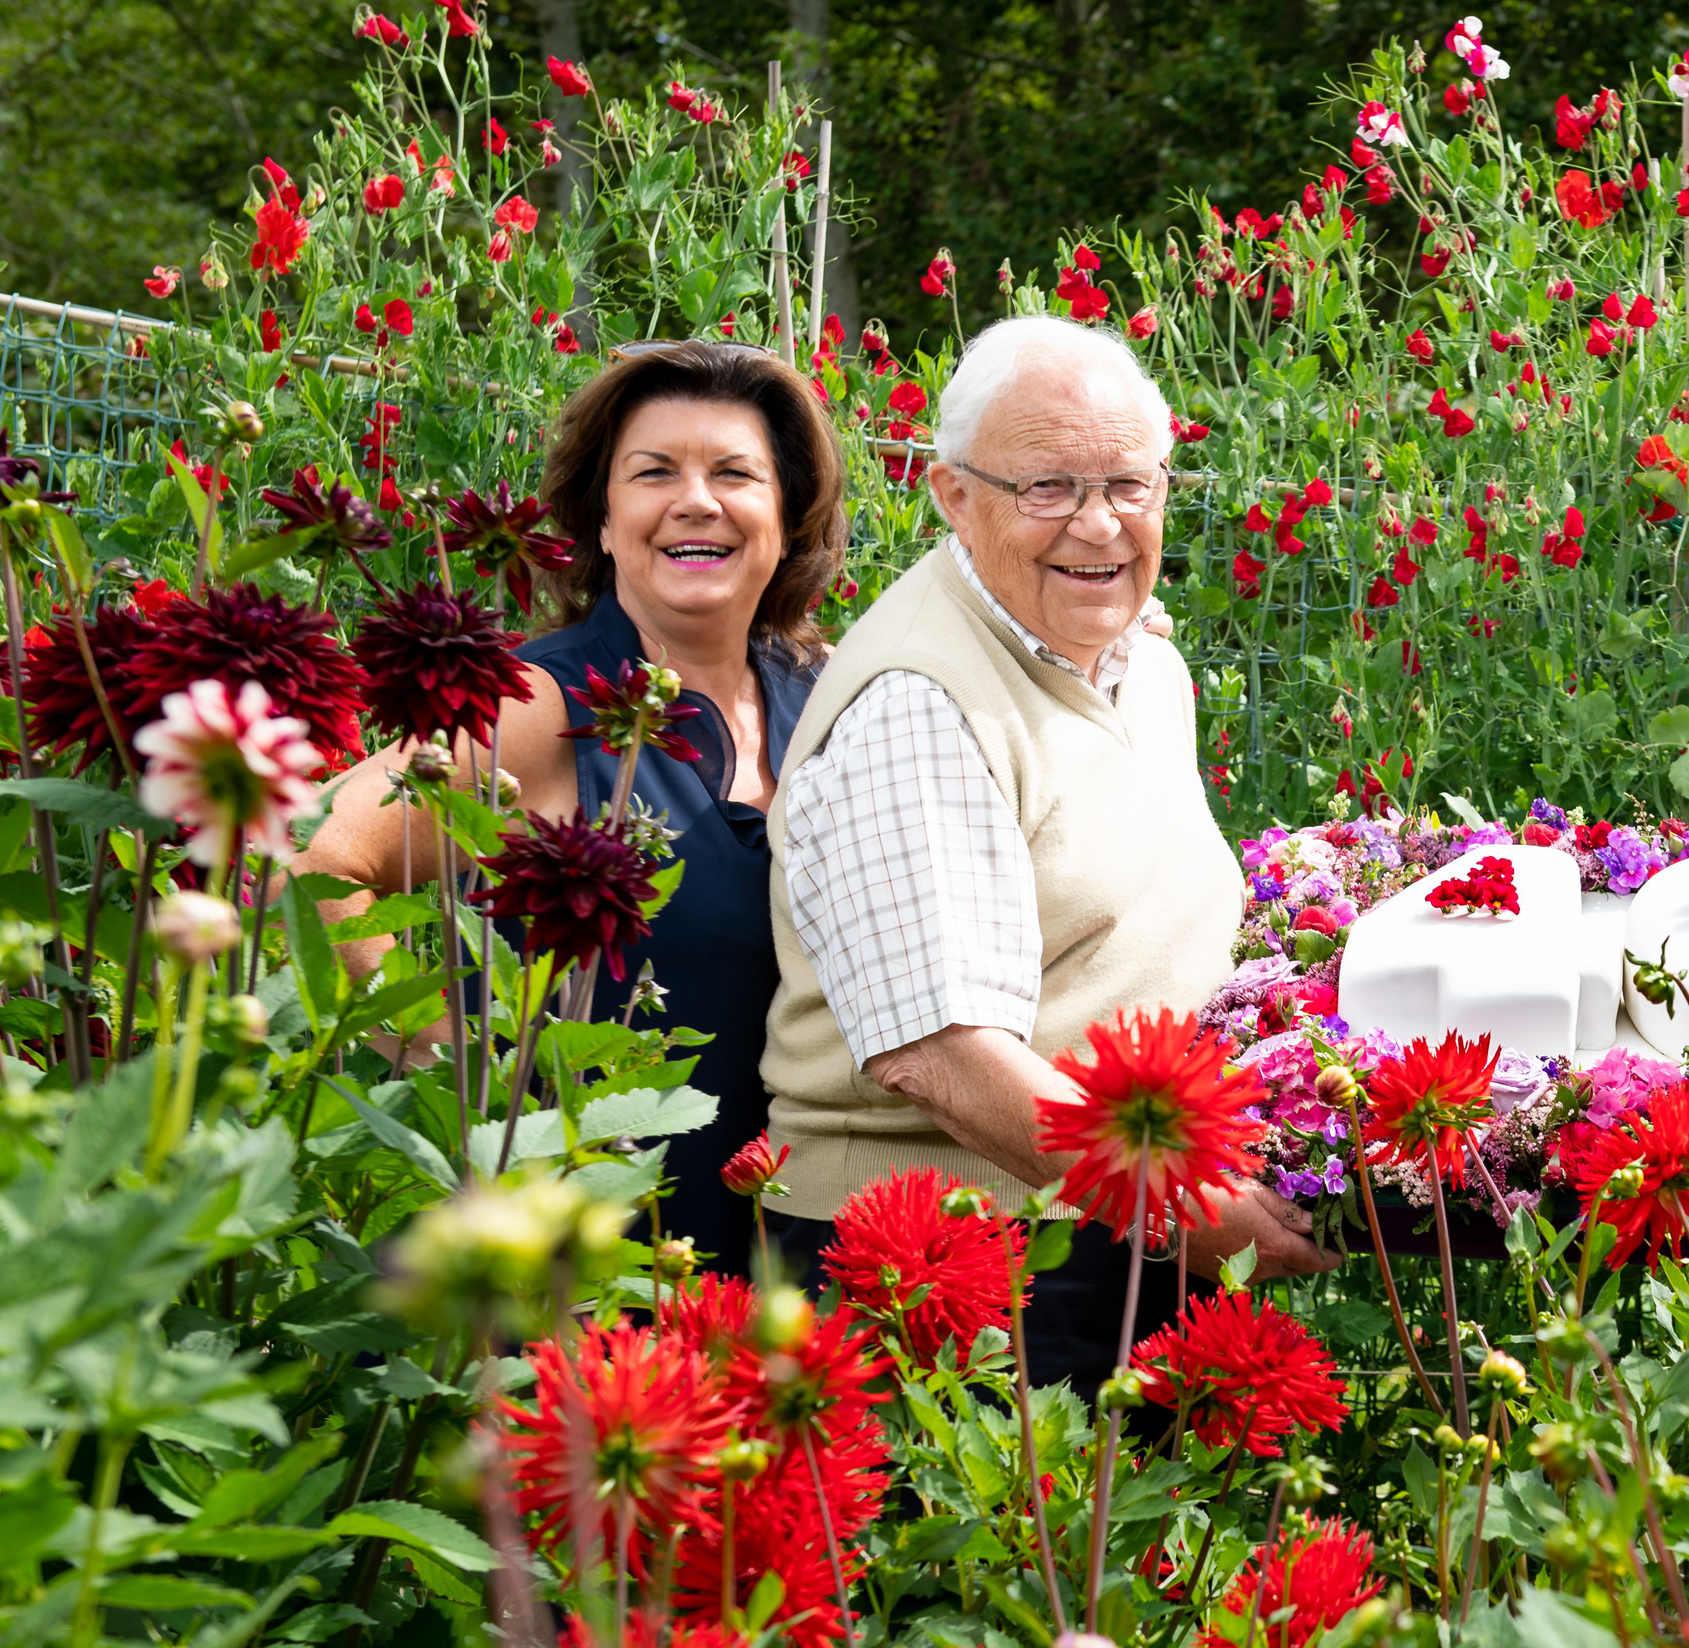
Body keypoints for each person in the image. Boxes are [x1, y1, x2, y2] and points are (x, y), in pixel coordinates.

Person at [762, 315, 1335, 1395]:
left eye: (1130, 484)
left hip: (1100, 1214)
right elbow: (943, 1056)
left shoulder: (1132, 658)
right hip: (953, 1270)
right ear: (954, 497)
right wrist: (1184, 1199)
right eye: (1049, 489)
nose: (1101, 524)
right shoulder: (919, 705)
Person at [304, 340, 844, 1280]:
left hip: (777, 1257)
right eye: (653, 473)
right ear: (602, 521)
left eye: (734, 473)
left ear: (789, 518)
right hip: (565, 1268)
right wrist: (437, 1059)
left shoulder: (833, 700)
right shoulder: (541, 706)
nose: (696, 501)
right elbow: (315, 853)